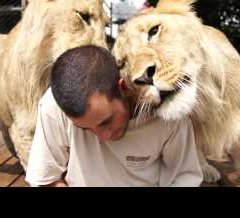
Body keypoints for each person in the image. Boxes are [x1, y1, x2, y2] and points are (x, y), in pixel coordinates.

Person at [25, 45, 203, 187]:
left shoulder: (168, 112)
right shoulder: (53, 106)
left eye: (105, 122)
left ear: (123, 87)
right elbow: (45, 179)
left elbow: (184, 176)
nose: (103, 137)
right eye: (85, 129)